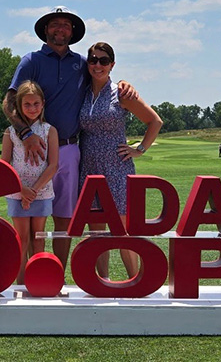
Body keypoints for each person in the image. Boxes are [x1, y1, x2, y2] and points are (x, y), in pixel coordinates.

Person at [2, 6, 137, 272]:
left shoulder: (81, 64)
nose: (60, 28)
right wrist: (25, 133)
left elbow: (102, 76)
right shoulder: (32, 61)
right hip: (34, 150)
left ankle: (55, 276)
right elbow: (8, 102)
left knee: (64, 220)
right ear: (45, 30)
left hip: (69, 150)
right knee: (32, 218)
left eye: (65, 24)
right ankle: (31, 275)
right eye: (55, 24)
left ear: (72, 32)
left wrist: (124, 83)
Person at [79, 42, 162, 279]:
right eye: (93, 60)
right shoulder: (83, 93)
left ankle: (135, 281)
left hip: (117, 168)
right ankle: (102, 282)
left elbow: (155, 121)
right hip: (89, 168)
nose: (98, 65)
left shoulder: (121, 93)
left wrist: (140, 149)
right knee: (96, 232)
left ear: (112, 65)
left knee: (123, 230)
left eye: (104, 61)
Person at [1, 81, 59, 284]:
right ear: (19, 105)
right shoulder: (10, 133)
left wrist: (33, 191)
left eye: (36, 103)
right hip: (17, 193)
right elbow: (4, 165)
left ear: (43, 104)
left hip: (41, 192)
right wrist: (21, 190)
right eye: (27, 104)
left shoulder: (49, 130)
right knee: (22, 240)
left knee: (39, 239)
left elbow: (53, 165)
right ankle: (21, 284)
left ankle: (37, 281)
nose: (32, 108)